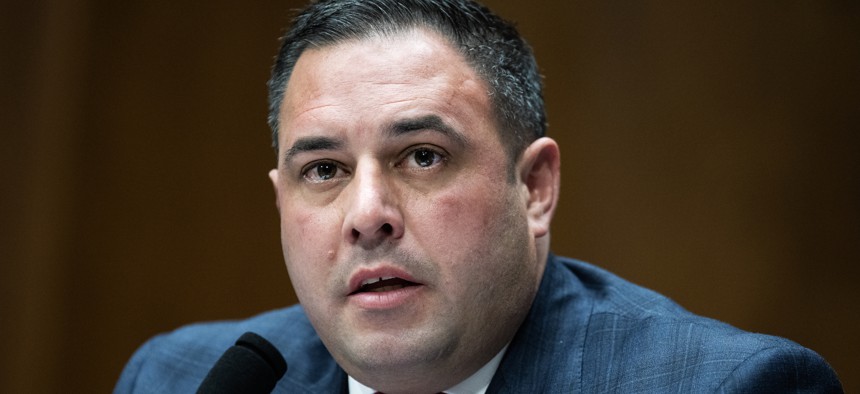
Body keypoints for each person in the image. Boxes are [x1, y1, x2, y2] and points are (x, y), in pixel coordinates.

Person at [115, 0, 843, 392]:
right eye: (325, 171)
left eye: (422, 156)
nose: (368, 215)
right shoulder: (182, 381)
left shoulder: (725, 390)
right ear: (280, 200)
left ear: (534, 187)